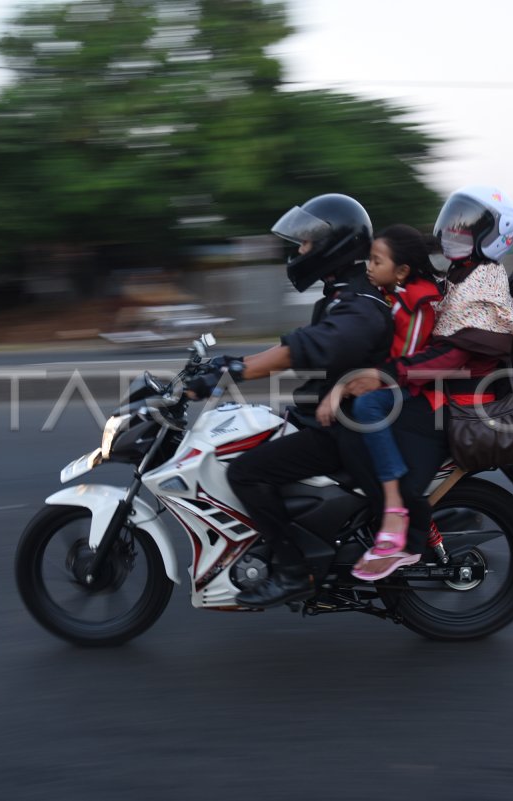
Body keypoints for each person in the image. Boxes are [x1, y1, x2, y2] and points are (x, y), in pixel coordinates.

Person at [186, 193, 394, 609]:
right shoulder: (342, 296)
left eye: (306, 243)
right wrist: (233, 363)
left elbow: (307, 347)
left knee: (245, 472)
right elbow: (299, 345)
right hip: (331, 418)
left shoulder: (360, 304)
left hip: (345, 429)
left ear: (335, 244)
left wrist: (234, 371)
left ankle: (294, 570)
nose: (299, 252)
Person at [336, 186, 513, 580]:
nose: (454, 231)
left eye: (466, 226)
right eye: (453, 221)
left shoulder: (483, 286)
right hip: (441, 392)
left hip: (457, 405)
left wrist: (385, 375)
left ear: (493, 236)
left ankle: (402, 532)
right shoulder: (465, 275)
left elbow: (451, 357)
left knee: (367, 417)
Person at [314, 224, 442, 579]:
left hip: (415, 387)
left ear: (401, 270)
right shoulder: (396, 295)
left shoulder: (420, 300)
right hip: (397, 377)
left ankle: (393, 505)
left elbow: (407, 362)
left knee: (367, 407)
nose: (368, 267)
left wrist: (346, 388)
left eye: (376, 260)